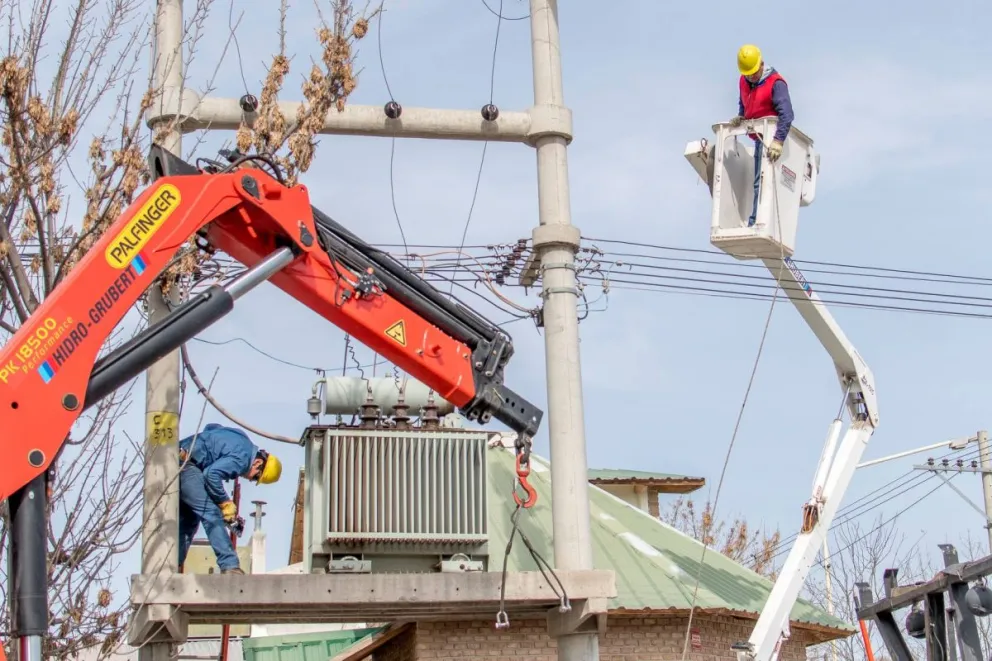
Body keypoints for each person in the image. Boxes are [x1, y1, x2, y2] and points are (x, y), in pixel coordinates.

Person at [177, 423, 283, 574]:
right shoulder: (243, 459)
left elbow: (211, 428)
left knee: (189, 521)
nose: (249, 479)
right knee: (211, 514)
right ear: (258, 462)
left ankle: (170, 565)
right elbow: (211, 474)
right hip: (187, 464)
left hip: (181, 459)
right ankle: (230, 565)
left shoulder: (242, 438)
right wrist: (225, 503)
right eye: (255, 477)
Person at [729, 44, 795, 227]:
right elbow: (744, 99)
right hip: (758, 136)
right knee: (758, 180)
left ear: (761, 65)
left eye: (753, 73)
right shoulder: (744, 81)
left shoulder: (776, 83)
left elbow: (787, 114)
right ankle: (754, 221)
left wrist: (778, 141)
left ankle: (757, 223)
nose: (750, 77)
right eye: (747, 73)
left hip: (769, 137)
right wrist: (741, 115)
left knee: (762, 181)